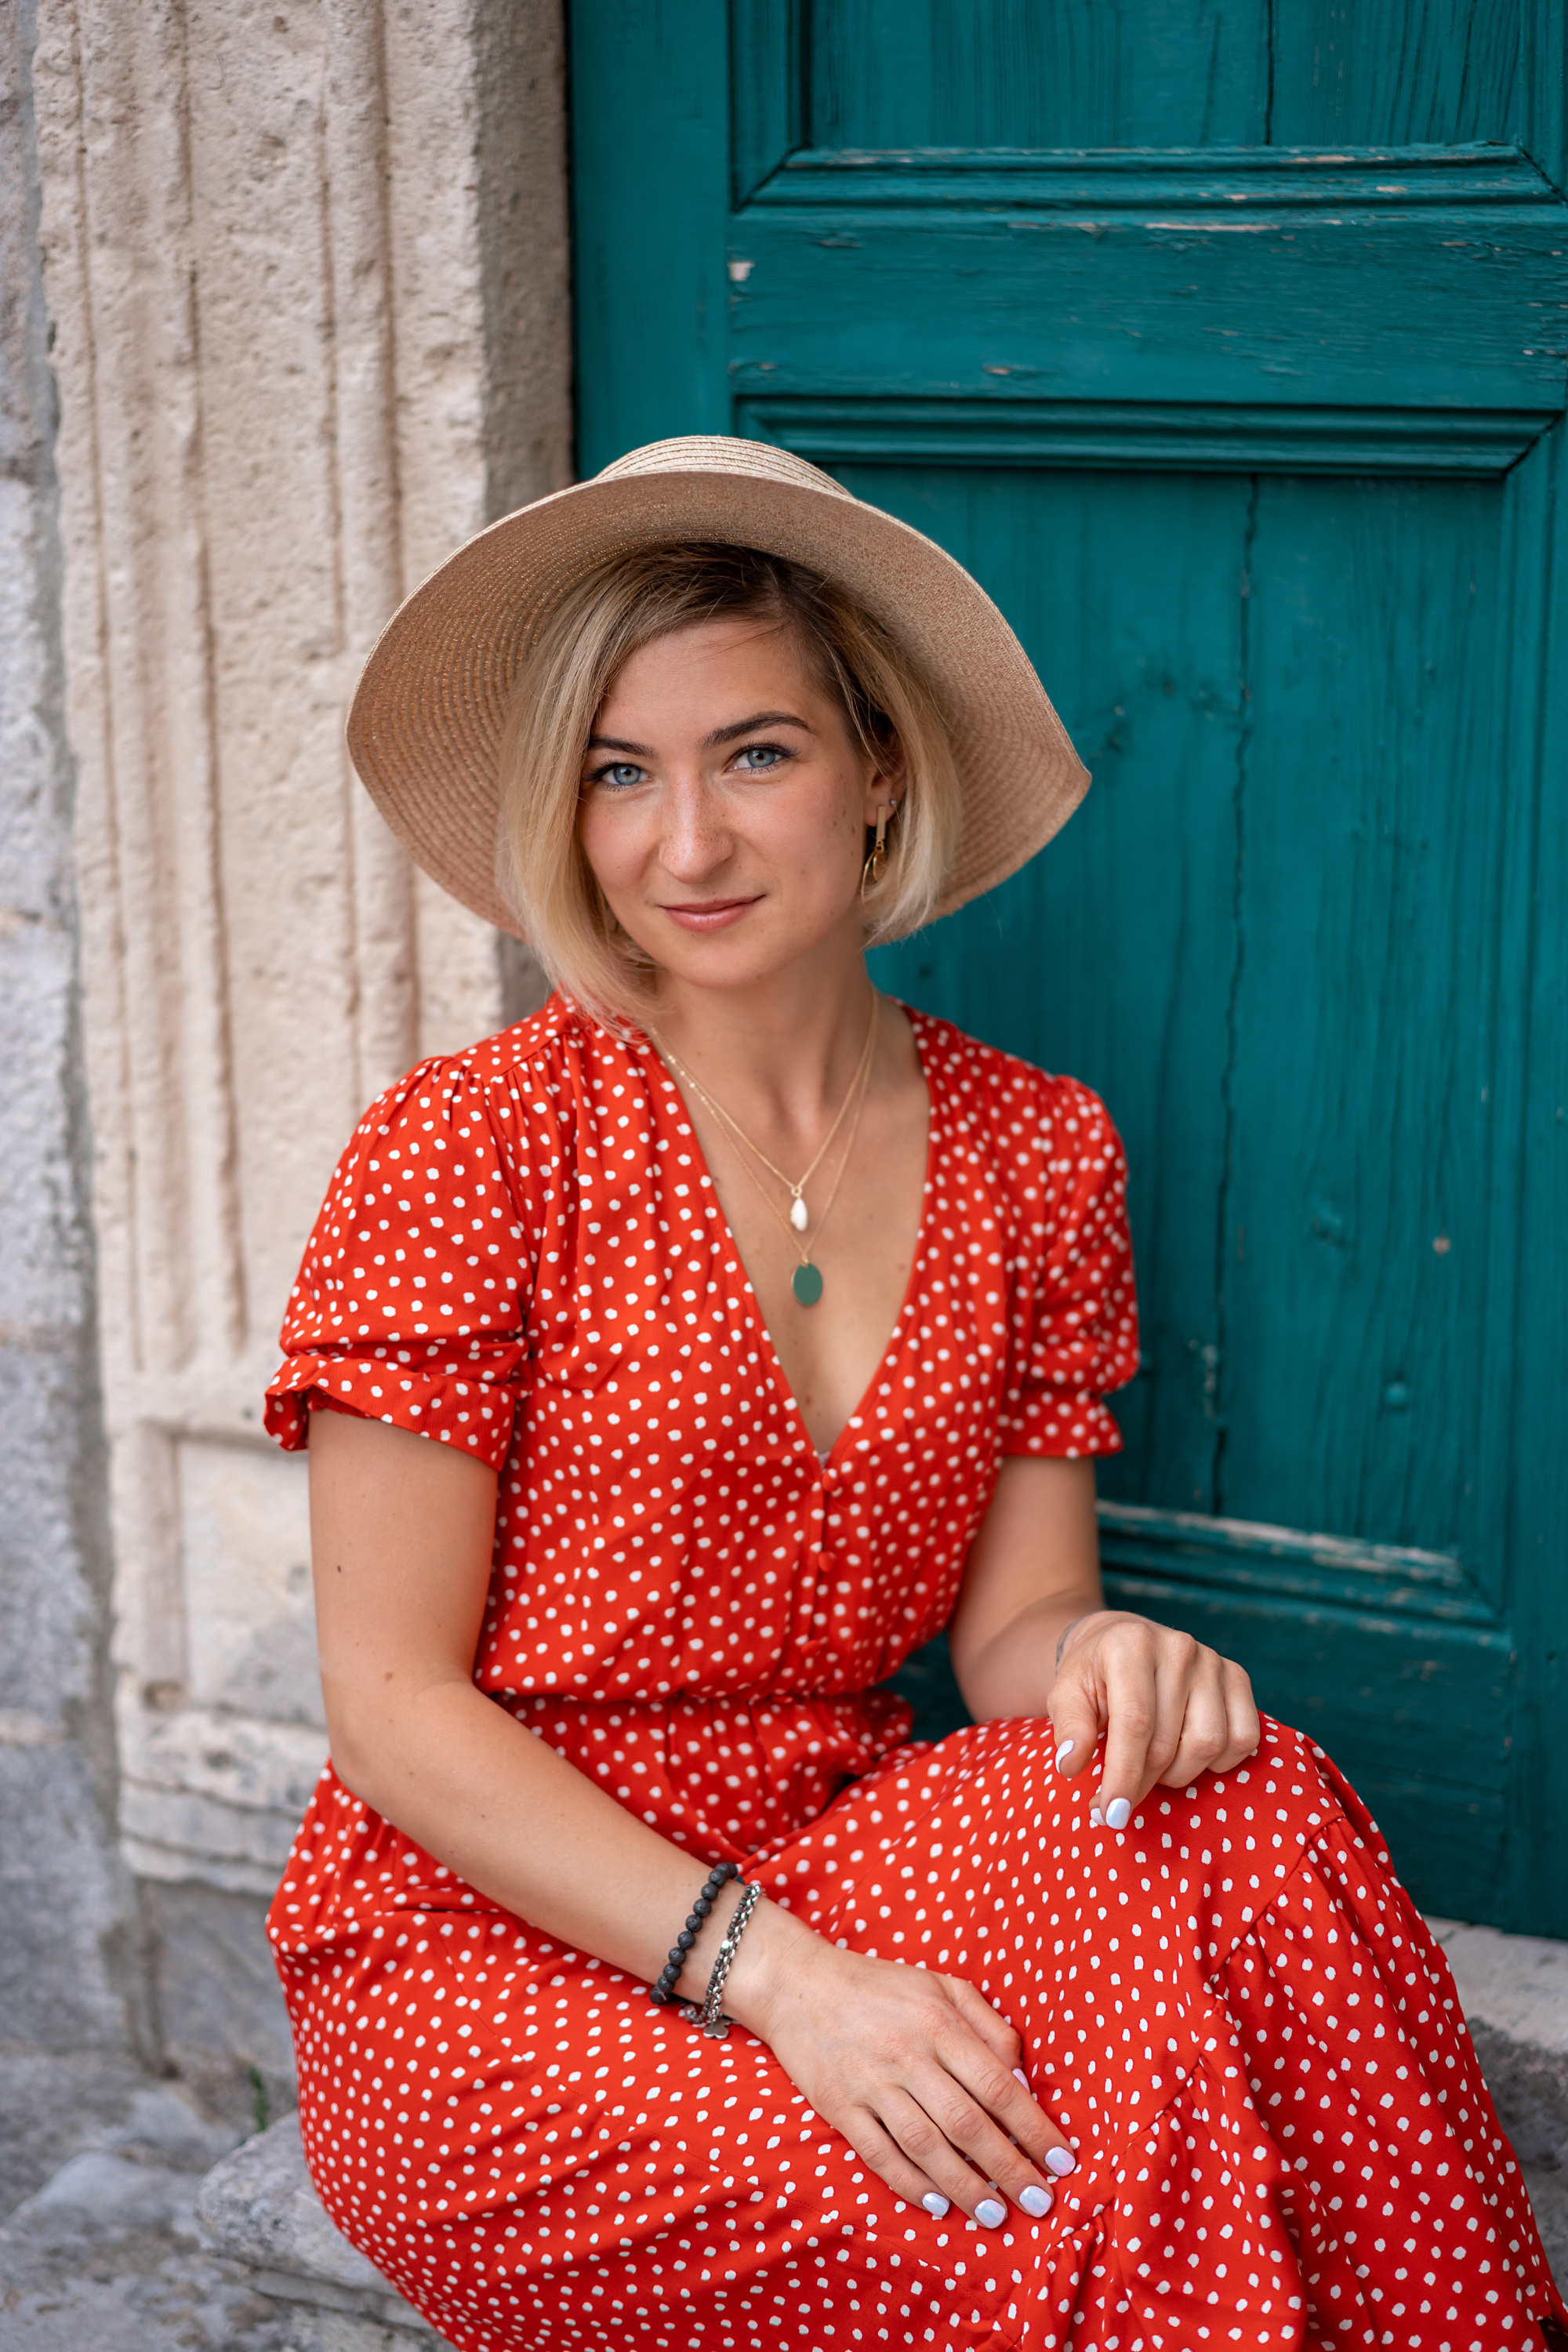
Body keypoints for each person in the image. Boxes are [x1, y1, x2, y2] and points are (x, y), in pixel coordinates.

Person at [265, 438, 1565, 2352]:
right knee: (1048, 2215)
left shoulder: (1035, 1150)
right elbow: (389, 1713)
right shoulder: (475, 1145)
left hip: (850, 1848)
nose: (683, 844)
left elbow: (1011, 1633)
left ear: (877, 769)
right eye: (621, 770)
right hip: (489, 1951)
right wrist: (779, 1978)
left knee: (1245, 1795)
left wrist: (1113, 1651)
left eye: (755, 753)